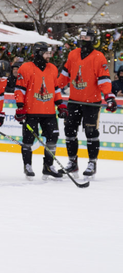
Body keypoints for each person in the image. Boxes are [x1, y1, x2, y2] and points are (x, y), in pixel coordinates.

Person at [57, 29, 116, 177]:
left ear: (93, 39)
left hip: (92, 103)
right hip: (74, 101)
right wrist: (54, 89)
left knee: (91, 132)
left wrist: (109, 96)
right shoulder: (73, 54)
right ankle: (72, 162)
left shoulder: (99, 56)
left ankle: (92, 162)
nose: (84, 39)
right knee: (69, 131)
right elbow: (64, 75)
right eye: (82, 37)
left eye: (87, 37)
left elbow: (103, 79)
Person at [13, 42, 62, 179]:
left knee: (53, 138)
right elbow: (19, 89)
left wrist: (60, 105)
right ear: (39, 53)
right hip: (31, 111)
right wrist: (20, 107)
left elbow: (56, 89)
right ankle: (27, 165)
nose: (49, 56)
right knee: (28, 139)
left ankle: (48, 166)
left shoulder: (52, 68)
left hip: (49, 112)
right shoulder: (26, 68)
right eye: (46, 53)